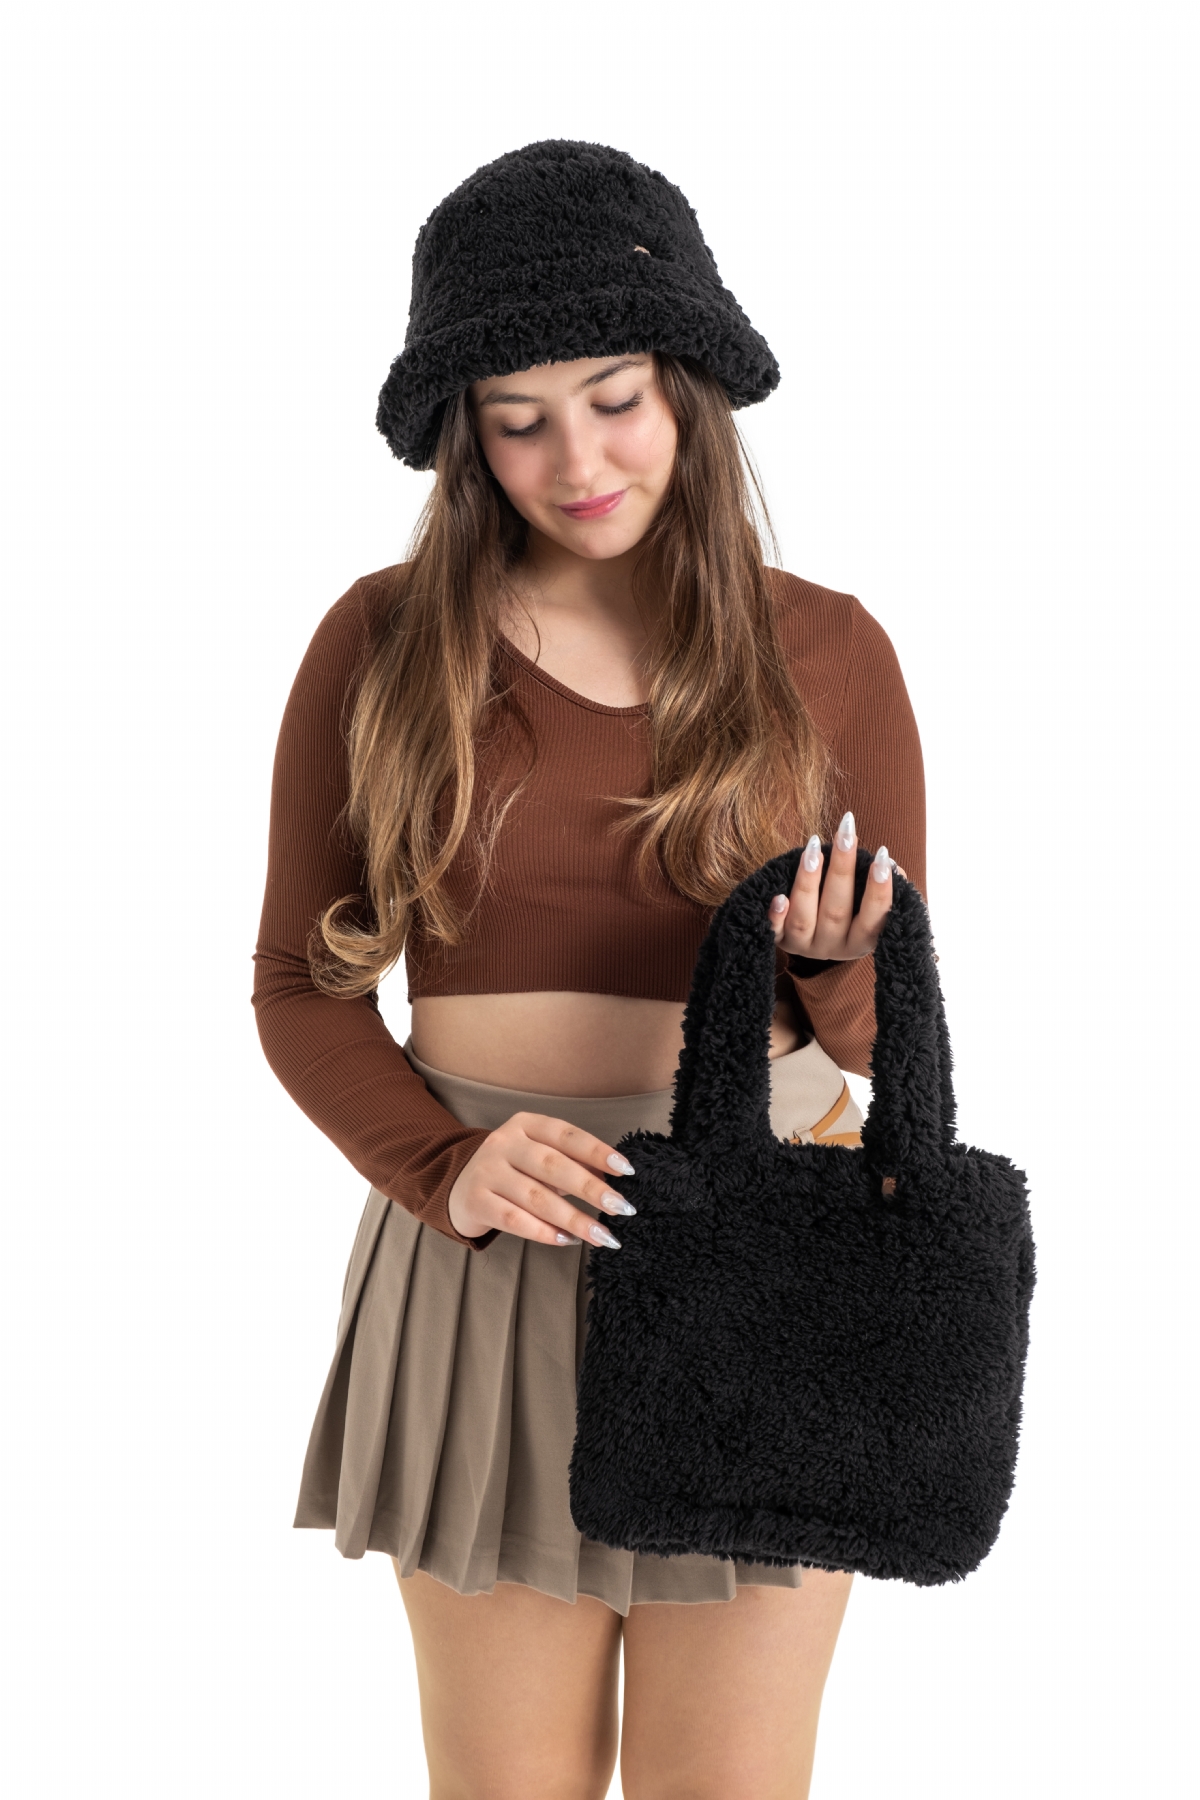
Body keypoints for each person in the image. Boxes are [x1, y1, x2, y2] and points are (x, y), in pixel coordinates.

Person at [253, 140, 925, 1800]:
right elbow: (297, 979)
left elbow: (882, 1036)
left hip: (769, 1251)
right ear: (465, 437)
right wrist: (444, 1166)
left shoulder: (831, 650)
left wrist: (840, 969)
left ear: (686, 386)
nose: (578, 459)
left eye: (615, 398)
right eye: (519, 416)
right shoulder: (381, 640)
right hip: (489, 1258)